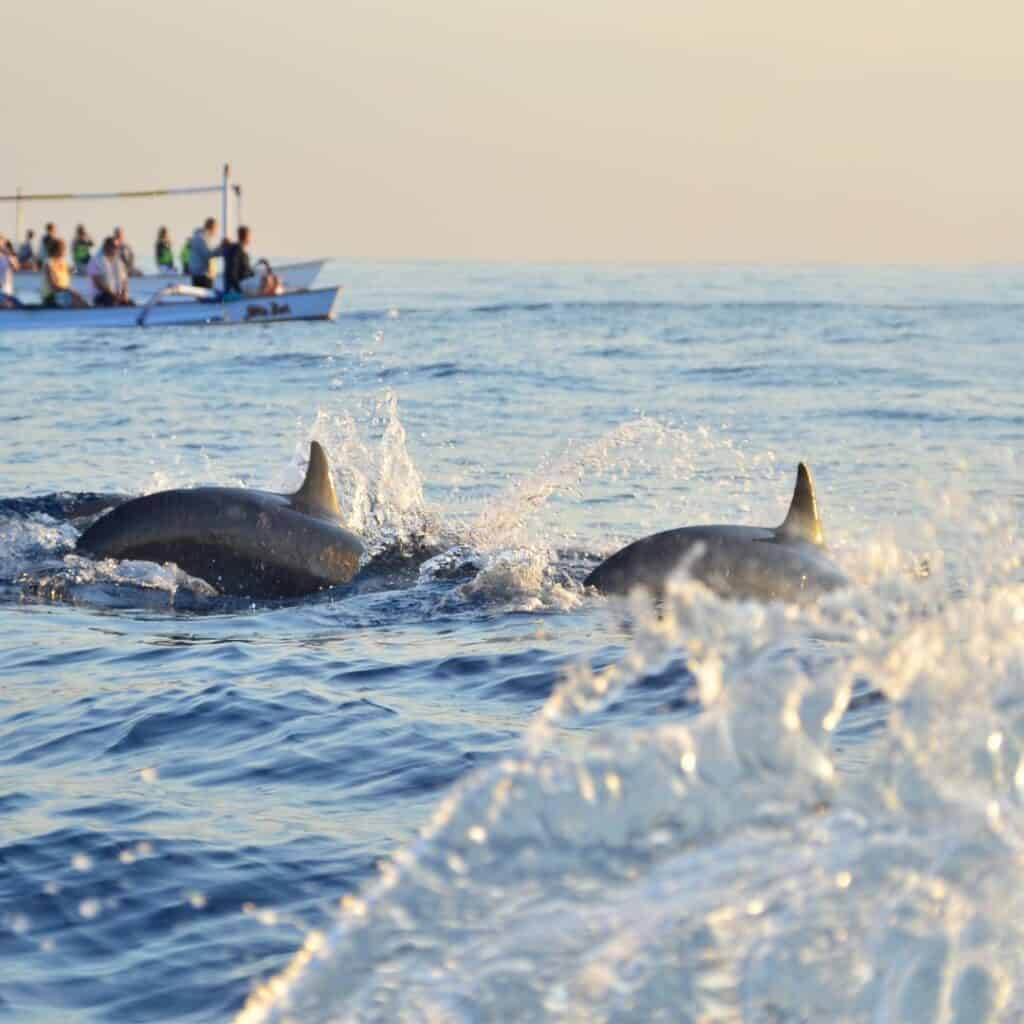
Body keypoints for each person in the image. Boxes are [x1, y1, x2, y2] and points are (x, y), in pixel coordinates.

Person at [41, 238, 88, 308]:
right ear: (57, 250)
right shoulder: (49, 263)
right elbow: (54, 286)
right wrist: (68, 290)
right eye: (63, 249)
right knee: (74, 297)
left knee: (80, 296)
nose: (65, 251)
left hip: (64, 293)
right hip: (51, 296)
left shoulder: (64, 262)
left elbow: (74, 271)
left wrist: (81, 272)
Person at [87, 237, 132, 306]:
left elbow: (124, 280)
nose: (117, 249)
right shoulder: (95, 261)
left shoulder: (119, 262)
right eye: (114, 247)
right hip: (102, 296)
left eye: (117, 247)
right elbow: (97, 282)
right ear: (107, 247)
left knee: (130, 304)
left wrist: (124, 293)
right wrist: (113, 295)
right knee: (111, 301)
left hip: (118, 295)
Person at [188, 217, 224, 288]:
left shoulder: (204, 238)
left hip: (204, 275)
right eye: (216, 228)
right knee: (205, 297)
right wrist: (222, 248)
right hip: (202, 276)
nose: (216, 231)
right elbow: (208, 255)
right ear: (212, 227)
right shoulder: (201, 238)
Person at [223, 225, 255, 295]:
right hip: (239, 284)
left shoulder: (239, 249)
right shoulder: (237, 250)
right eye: (249, 236)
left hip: (242, 282)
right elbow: (232, 271)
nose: (250, 239)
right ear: (246, 236)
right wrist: (238, 290)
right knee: (267, 280)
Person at [0, 235, 20, 307]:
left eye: (3, 243)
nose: (3, 245)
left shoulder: (9, 257)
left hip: (7, 290)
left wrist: (11, 257)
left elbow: (16, 268)